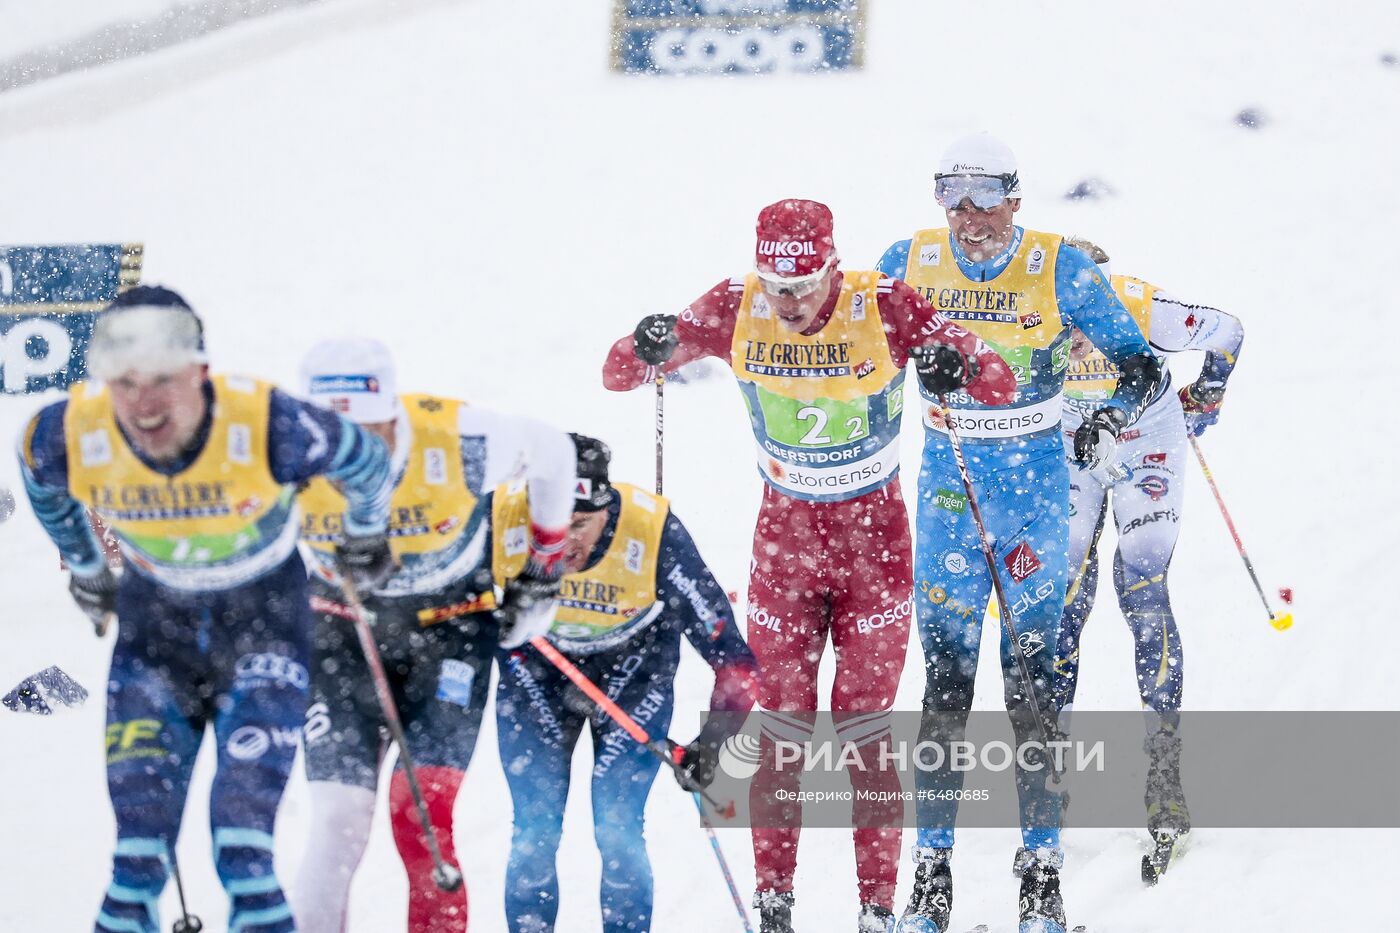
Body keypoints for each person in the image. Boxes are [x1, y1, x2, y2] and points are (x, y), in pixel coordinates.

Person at [604, 199, 1015, 933]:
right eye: (774, 286)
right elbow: (619, 373)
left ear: (832, 265)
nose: (785, 304)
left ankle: (877, 910)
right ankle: (774, 907)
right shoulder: (736, 305)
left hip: (876, 553)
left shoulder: (884, 304)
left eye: (800, 286)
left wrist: (959, 362)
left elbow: (998, 380)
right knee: (782, 730)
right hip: (784, 553)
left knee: (865, 730)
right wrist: (649, 344)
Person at [15, 286, 394, 933]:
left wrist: (367, 532)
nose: (144, 402)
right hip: (155, 634)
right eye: (124, 382)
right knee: (136, 861)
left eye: (163, 378)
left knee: (244, 852)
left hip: (263, 628)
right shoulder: (68, 429)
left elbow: (366, 461)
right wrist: (85, 567)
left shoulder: (265, 421)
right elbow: (38, 477)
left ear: (200, 370)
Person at [875, 135, 1162, 933]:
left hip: (1034, 493)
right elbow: (862, 358)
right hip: (946, 495)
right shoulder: (906, 259)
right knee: (945, 683)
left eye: (984, 195)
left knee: (1033, 680)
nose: (968, 214)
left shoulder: (1061, 265)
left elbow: (1143, 366)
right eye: (951, 195)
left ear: (1015, 197)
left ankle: (1042, 879)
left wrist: (1108, 417)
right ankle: (930, 882)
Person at [289, 338, 576, 933]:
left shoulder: (462, 439)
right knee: (338, 822)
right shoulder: (280, 451)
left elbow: (554, 451)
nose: (349, 463)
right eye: (331, 444)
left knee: (421, 814)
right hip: (345, 638)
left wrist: (543, 568)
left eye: (368, 438)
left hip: (448, 636)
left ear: (394, 415)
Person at [492, 433, 758, 933]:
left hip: (633, 678)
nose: (562, 541)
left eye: (580, 525)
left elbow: (735, 660)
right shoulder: (501, 513)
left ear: (605, 509)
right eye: (547, 524)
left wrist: (716, 742)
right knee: (534, 832)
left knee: (617, 832)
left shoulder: (651, 533)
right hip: (537, 676)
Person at [1052, 237, 1244, 859]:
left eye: (1085, 314)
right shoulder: (1027, 306)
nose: (1075, 329)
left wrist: (1207, 394)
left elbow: (1228, 331)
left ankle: (1164, 775)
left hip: (1147, 442)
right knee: (1065, 596)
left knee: (1140, 583)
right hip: (1077, 443)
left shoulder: (1143, 308)